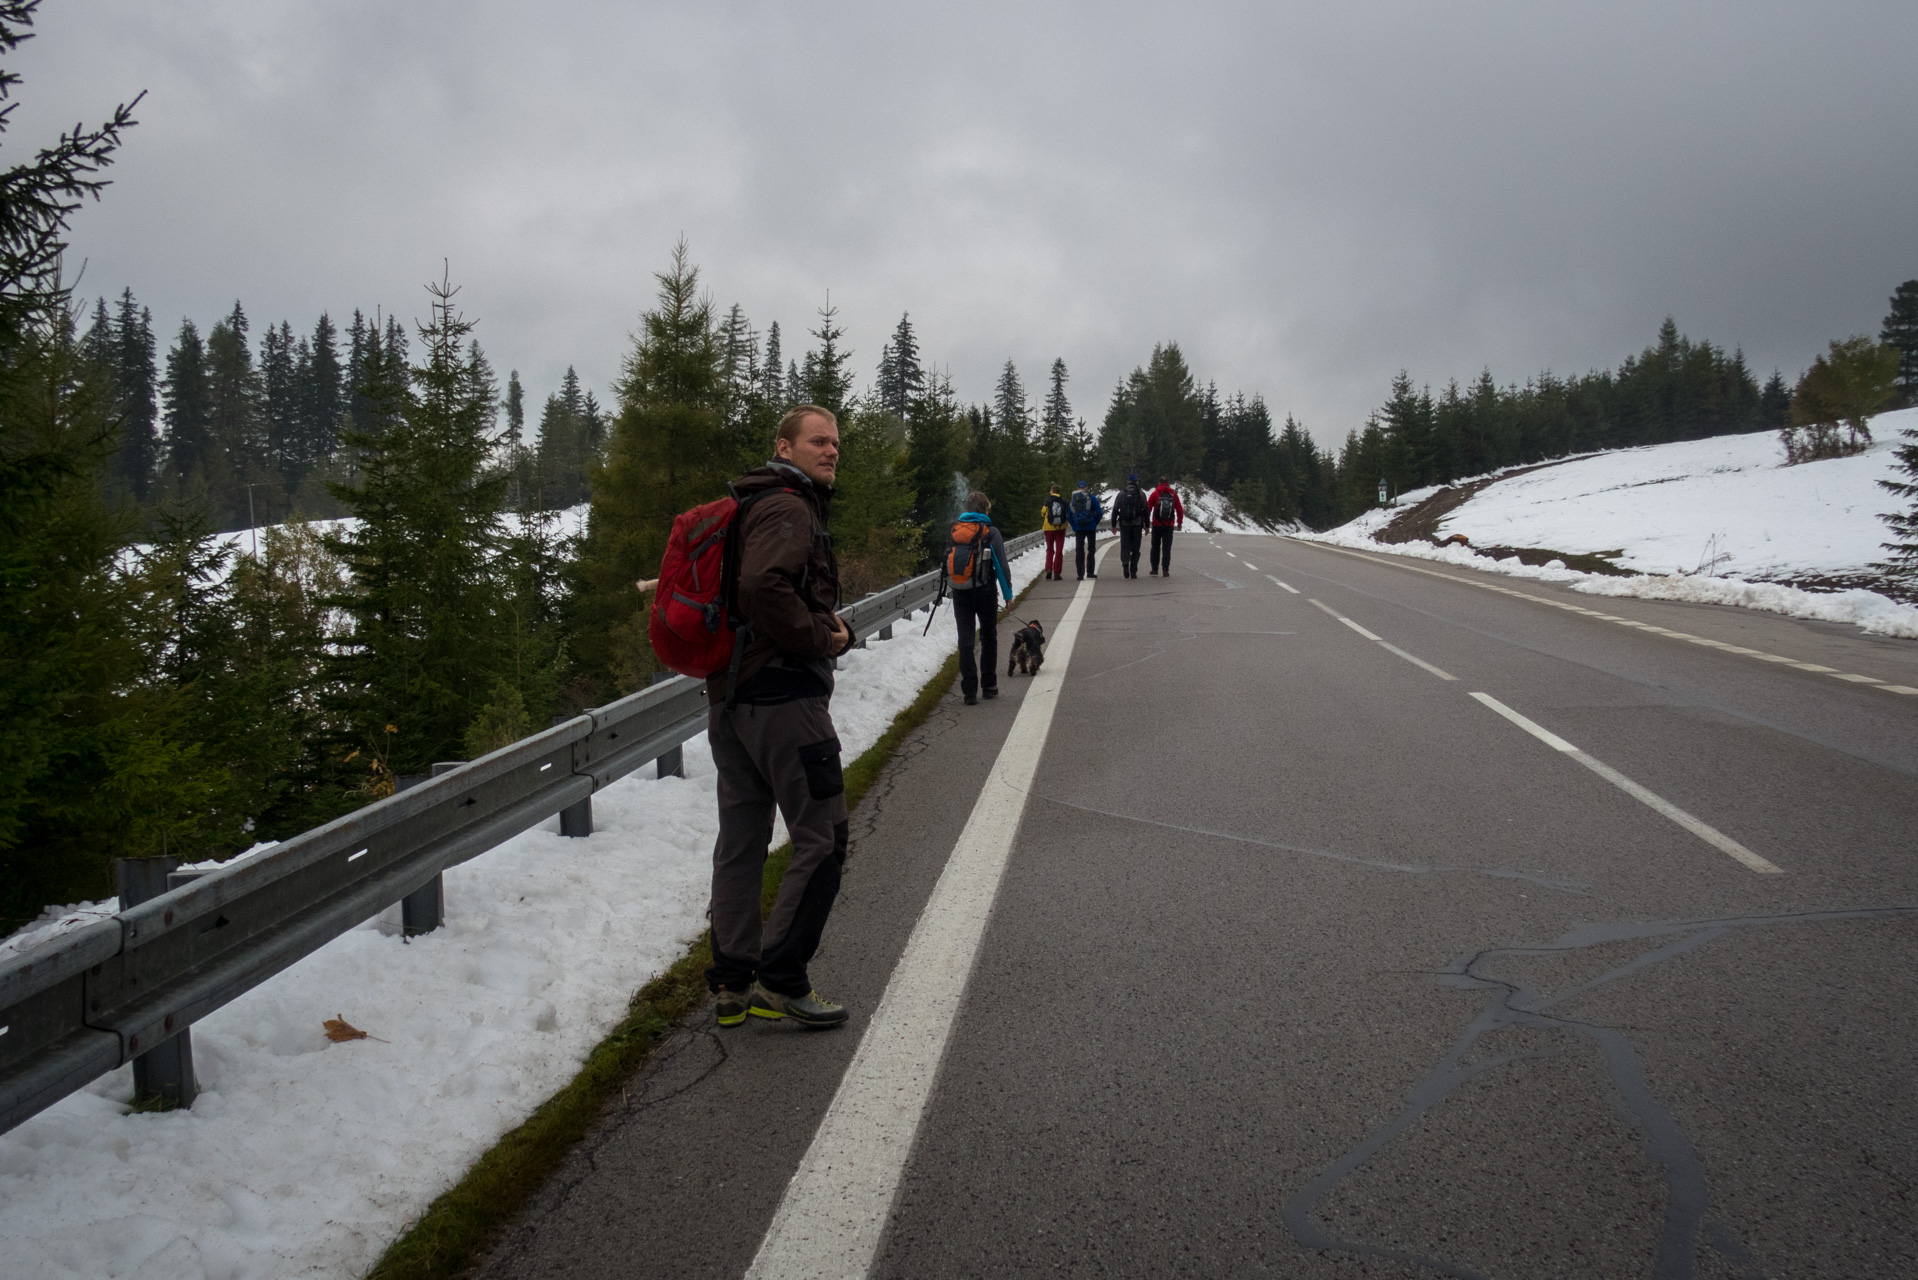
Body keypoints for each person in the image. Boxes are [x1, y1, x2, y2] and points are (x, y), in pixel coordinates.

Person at [705, 405, 856, 1031]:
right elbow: (764, 586)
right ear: (784, 447)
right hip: (784, 702)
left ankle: (733, 983)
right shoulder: (789, 507)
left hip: (732, 699)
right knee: (823, 834)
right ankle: (782, 979)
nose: (830, 452)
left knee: (741, 843)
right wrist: (822, 636)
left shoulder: (752, 502)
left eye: (835, 443)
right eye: (817, 441)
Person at [947, 490, 1014, 705]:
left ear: (967, 509)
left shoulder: (955, 530)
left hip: (959, 592)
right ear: (984, 509)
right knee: (988, 636)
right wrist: (1008, 595)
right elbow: (1001, 566)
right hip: (984, 591)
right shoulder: (990, 532)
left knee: (965, 640)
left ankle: (968, 691)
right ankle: (989, 685)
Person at [1146, 475, 1185, 576]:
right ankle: (1165, 569)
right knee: (1166, 547)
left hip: (1157, 525)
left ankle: (1154, 569)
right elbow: (1180, 509)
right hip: (1169, 525)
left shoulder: (1155, 494)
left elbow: (1148, 508)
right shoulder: (1173, 495)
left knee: (1155, 547)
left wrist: (1146, 523)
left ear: (1159, 483)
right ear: (1168, 483)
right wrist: (1179, 523)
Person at [1111, 475, 1150, 578]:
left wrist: (1113, 525)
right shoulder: (1141, 494)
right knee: (1136, 548)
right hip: (1137, 524)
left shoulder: (1121, 494)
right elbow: (1146, 510)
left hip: (1124, 524)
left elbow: (1115, 510)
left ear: (1128, 482)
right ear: (1136, 482)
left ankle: (1125, 562)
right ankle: (1133, 570)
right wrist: (1147, 526)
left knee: (1125, 546)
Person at [1065, 480, 1103, 580]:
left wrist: (1074, 525)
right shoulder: (1091, 498)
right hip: (1090, 527)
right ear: (1086, 487)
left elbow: (1069, 515)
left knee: (1079, 550)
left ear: (1078, 488)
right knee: (1091, 549)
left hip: (1079, 528)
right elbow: (1099, 512)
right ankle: (1090, 572)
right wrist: (1094, 523)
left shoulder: (1073, 499)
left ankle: (1080, 574)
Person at [1040, 484, 1069, 581]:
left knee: (1050, 549)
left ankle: (1048, 569)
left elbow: (1042, 513)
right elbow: (1067, 514)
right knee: (1059, 551)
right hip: (1060, 528)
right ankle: (1057, 572)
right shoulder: (1064, 501)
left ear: (1052, 491)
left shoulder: (1047, 501)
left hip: (1049, 528)